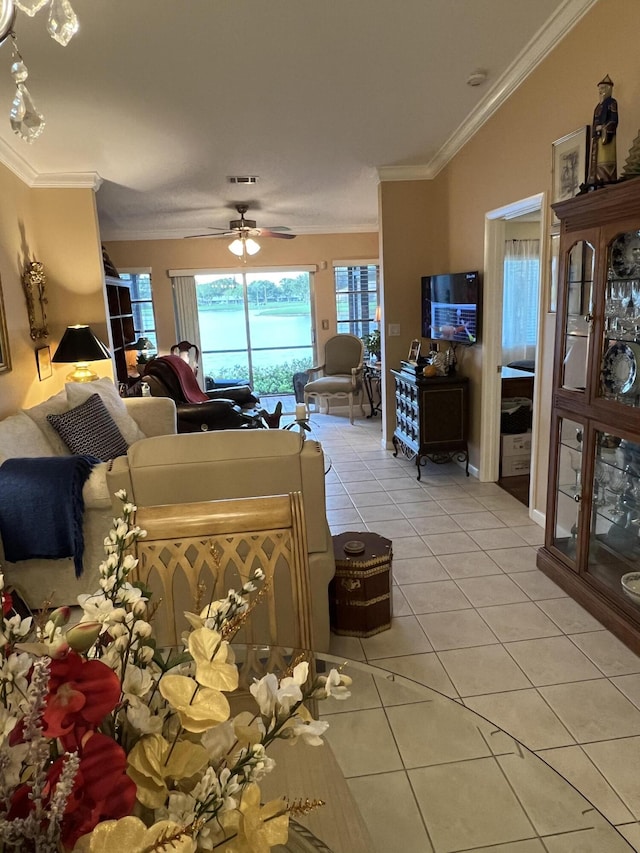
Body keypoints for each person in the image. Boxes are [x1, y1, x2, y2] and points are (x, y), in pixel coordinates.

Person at [587, 75, 618, 186]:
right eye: (599, 89)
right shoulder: (597, 107)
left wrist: (604, 128)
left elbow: (614, 119)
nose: (601, 91)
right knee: (596, 160)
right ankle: (596, 179)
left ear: (609, 89)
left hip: (606, 137)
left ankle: (606, 179)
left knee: (605, 158)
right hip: (597, 137)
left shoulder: (612, 103)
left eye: (603, 88)